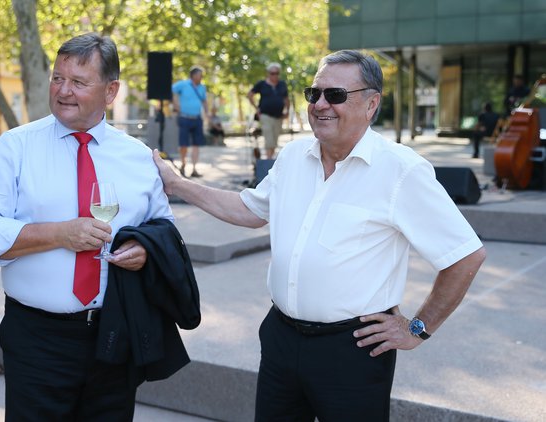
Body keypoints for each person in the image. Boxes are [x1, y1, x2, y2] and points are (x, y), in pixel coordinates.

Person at [154, 50, 486, 421]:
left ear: (371, 103)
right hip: (280, 337)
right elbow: (250, 209)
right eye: (314, 94)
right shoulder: (294, 156)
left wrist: (418, 328)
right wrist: (178, 185)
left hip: (353, 352)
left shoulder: (402, 171)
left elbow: (464, 255)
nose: (321, 104)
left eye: (336, 95)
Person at [0, 33, 183, 421]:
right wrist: (58, 234)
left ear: (111, 91)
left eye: (79, 82)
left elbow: (163, 225)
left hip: (116, 335)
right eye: (57, 78)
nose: (63, 91)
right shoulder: (15, 146)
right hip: (37, 339)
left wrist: (146, 250)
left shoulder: (136, 156)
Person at [247, 62, 290, 159]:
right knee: (269, 138)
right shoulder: (262, 84)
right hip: (265, 115)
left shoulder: (282, 84)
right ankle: (268, 160)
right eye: (272, 73)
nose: (274, 75)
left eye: (277, 73)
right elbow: (249, 95)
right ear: (268, 73)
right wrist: (256, 108)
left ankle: (269, 159)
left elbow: (286, 99)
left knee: (274, 139)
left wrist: (287, 111)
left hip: (279, 116)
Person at [172, 65, 209, 178]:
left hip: (197, 119)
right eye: (199, 75)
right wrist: (175, 104)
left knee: (196, 145)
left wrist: (207, 114)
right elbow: (170, 91)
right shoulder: (183, 84)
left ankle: (194, 169)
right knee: (184, 144)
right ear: (193, 75)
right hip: (184, 118)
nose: (201, 77)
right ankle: (183, 164)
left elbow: (204, 101)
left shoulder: (202, 87)